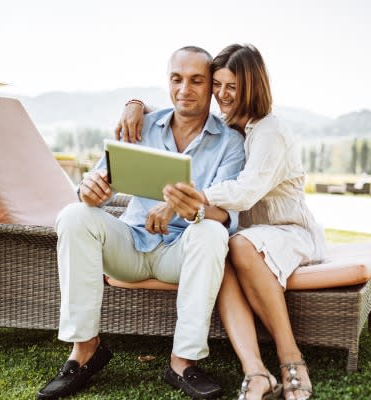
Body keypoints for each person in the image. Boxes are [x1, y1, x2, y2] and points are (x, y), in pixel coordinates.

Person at [37, 46, 245, 400]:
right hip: (130, 243)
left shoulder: (231, 143)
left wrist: (182, 207)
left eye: (196, 81)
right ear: (167, 81)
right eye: (176, 79)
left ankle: (183, 361)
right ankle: (84, 350)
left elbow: (225, 214)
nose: (184, 89)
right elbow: (98, 185)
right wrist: (89, 191)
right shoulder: (142, 125)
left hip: (181, 252)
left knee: (210, 232)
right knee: (73, 215)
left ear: (211, 86)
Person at [119, 44, 325, 400]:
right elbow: (175, 112)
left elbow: (245, 192)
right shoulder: (233, 127)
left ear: (253, 86)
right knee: (224, 247)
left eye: (233, 87)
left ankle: (292, 360)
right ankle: (256, 372)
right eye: (218, 84)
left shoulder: (269, 130)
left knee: (238, 244)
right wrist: (137, 104)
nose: (223, 95)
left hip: (288, 231)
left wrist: (180, 200)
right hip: (249, 235)